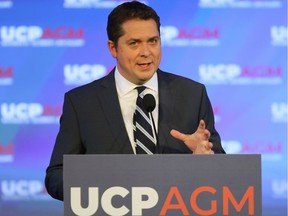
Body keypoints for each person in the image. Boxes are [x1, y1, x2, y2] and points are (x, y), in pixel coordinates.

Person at [45, 0, 225, 201]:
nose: (146, 52)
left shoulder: (192, 94)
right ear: (113, 48)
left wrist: (205, 162)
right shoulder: (81, 103)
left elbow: (223, 168)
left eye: (153, 41)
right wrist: (98, 187)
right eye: (134, 43)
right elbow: (56, 176)